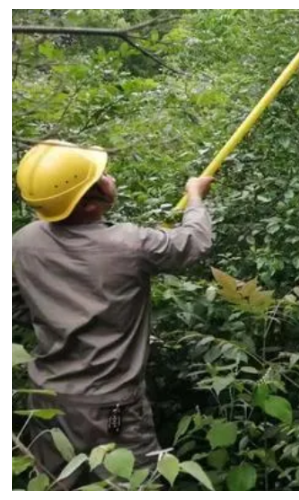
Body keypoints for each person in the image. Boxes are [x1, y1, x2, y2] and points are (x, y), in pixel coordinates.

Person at [12, 140, 215, 485]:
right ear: (90, 205)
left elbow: (18, 306)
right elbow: (194, 242)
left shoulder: (23, 241)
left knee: (59, 482)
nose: (111, 177)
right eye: (103, 175)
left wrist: (59, 310)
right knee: (131, 483)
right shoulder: (130, 244)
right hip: (111, 408)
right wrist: (195, 195)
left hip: (46, 400)